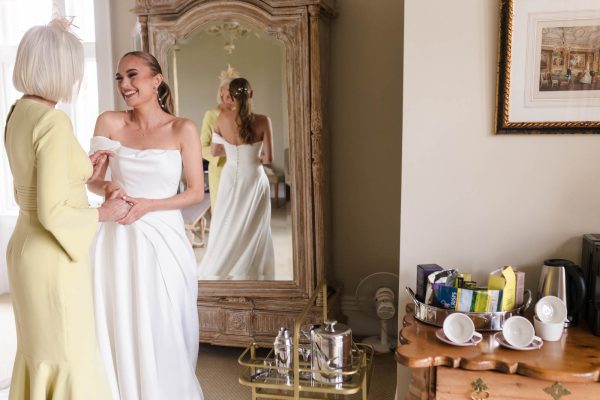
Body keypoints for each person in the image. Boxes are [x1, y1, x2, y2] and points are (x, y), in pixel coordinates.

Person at [4, 18, 130, 399]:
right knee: (69, 355)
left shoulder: (18, 113)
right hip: (52, 258)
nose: (76, 77)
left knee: (41, 354)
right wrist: (104, 212)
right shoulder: (53, 122)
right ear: (60, 70)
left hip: (25, 249)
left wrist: (84, 171)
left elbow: (35, 184)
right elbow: (54, 213)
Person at [86, 51, 204, 400]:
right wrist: (106, 186)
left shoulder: (183, 128)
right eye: (119, 78)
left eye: (132, 75)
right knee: (120, 319)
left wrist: (150, 205)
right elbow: (93, 180)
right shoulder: (108, 122)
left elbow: (196, 191)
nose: (124, 84)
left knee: (166, 319)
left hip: (164, 236)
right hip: (117, 238)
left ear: (157, 79)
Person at [198, 77, 275, 280]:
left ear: (231, 97)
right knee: (255, 224)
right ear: (251, 94)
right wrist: (252, 156)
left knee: (227, 220)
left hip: (230, 176)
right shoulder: (264, 120)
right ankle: (251, 271)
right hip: (255, 178)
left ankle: (225, 266)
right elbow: (268, 158)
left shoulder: (221, 119)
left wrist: (233, 153)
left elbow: (214, 151)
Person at [200, 64, 240, 210]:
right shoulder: (211, 115)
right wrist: (223, 152)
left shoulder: (245, 116)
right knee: (223, 214)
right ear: (221, 91)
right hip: (220, 172)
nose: (232, 94)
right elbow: (202, 147)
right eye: (229, 90)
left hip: (242, 171)